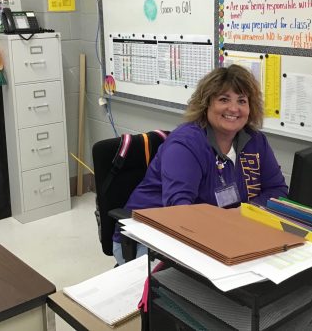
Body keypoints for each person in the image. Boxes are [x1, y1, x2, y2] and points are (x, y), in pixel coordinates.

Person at [112, 65, 288, 265]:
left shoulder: (255, 142)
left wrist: (241, 214)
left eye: (242, 101)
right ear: (206, 104)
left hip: (223, 232)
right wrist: (232, 219)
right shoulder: (185, 145)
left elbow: (278, 191)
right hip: (151, 235)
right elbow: (179, 212)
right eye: (224, 99)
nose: (233, 108)